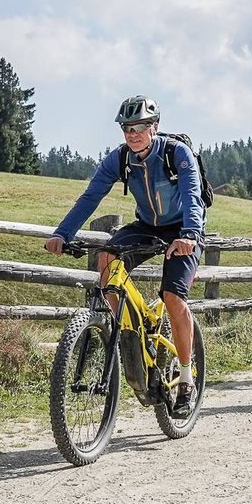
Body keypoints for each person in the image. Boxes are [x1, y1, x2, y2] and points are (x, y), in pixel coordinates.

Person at [45, 95, 204, 407]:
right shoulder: (119, 159)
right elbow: (90, 197)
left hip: (183, 228)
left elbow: (192, 194)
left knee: (173, 297)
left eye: (140, 127)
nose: (133, 134)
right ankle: (127, 334)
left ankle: (186, 378)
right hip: (146, 225)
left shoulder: (177, 153)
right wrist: (62, 233)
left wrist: (190, 234)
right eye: (127, 128)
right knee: (106, 256)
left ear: (154, 127)